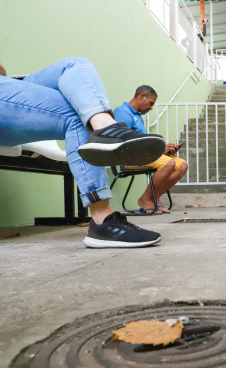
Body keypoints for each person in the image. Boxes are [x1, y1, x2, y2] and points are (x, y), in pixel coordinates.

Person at [0, 57, 165, 248]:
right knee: (81, 113)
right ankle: (102, 218)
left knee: (77, 65)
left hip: (10, 83)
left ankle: (105, 128)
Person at [114, 85, 188, 214]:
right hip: (128, 157)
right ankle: (146, 199)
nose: (151, 107)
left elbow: (141, 143)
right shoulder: (122, 112)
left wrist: (161, 151)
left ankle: (154, 197)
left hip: (142, 155)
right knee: (169, 163)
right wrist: (157, 149)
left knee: (182, 165)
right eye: (151, 103)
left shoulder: (137, 116)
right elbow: (124, 142)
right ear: (142, 96)